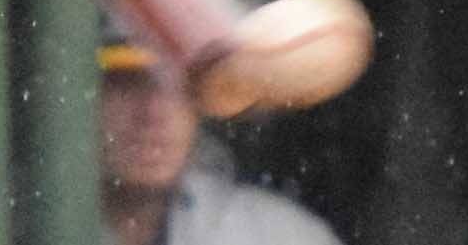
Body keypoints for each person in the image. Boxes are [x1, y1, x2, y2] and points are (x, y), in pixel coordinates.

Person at [98, 17, 344, 245]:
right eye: (126, 86)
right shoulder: (59, 218)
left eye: (177, 89)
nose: (152, 114)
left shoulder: (277, 236)